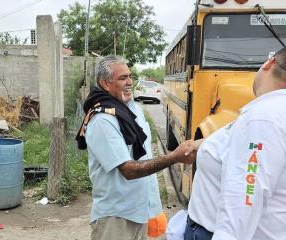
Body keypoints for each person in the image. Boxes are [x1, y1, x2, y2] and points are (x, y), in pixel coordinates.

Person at [76, 55, 199, 240]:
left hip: (137, 212)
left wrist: (152, 208)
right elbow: (129, 170)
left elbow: (144, 155)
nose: (129, 82)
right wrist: (174, 157)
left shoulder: (128, 109)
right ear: (105, 83)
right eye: (122, 78)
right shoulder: (103, 120)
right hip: (116, 217)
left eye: (130, 76)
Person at [185, 47, 286, 240]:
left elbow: (242, 201)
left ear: (269, 63)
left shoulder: (262, 117)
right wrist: (206, 144)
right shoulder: (271, 115)